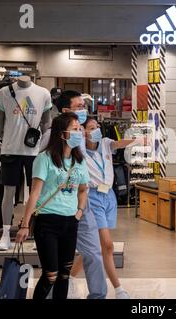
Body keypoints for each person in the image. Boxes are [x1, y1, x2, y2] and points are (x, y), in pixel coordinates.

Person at [15, 112, 89, 299]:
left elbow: (83, 190)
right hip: (47, 222)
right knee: (51, 275)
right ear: (61, 133)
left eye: (80, 129)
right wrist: (25, 224)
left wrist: (79, 211)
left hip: (70, 222)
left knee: (64, 274)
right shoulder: (44, 158)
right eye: (74, 129)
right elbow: (35, 193)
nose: (79, 133)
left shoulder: (79, 161)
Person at [42, 91, 108, 299]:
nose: (83, 110)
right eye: (78, 106)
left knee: (93, 252)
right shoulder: (49, 137)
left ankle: (98, 295)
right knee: (57, 263)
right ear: (65, 111)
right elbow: (40, 175)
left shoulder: (79, 134)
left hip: (81, 202)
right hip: (56, 208)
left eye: (83, 106)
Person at [68, 117, 144, 299]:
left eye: (98, 126)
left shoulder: (105, 143)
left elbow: (119, 143)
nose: (97, 130)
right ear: (83, 132)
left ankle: (69, 278)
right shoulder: (78, 151)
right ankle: (119, 289)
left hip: (109, 196)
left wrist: (138, 140)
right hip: (92, 196)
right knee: (107, 246)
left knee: (95, 247)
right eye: (92, 127)